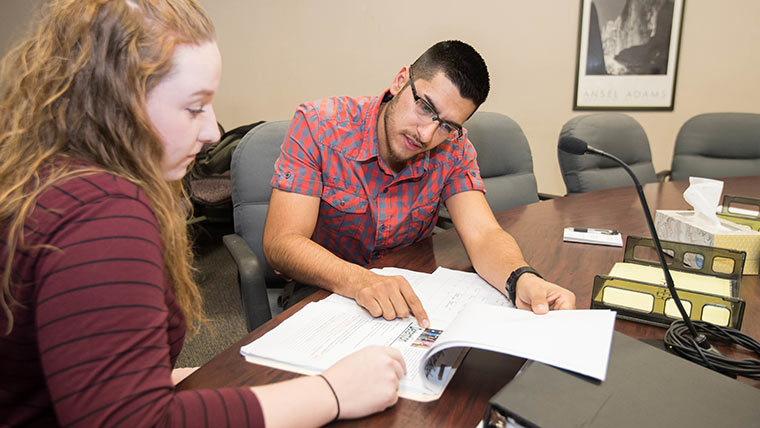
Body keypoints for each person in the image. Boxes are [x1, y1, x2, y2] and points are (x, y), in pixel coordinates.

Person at [0, 1, 405, 426]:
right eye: (194, 107)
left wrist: (188, 386)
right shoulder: (104, 215)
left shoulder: (52, 179)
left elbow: (81, 372)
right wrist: (332, 393)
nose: (213, 132)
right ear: (118, 106)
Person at [263, 41, 576, 327]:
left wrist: (521, 278)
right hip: (326, 290)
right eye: (426, 107)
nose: (426, 135)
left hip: (407, 297)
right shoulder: (319, 126)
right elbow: (282, 243)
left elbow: (483, 234)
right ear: (401, 80)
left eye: (447, 126)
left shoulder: (455, 147)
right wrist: (360, 281)